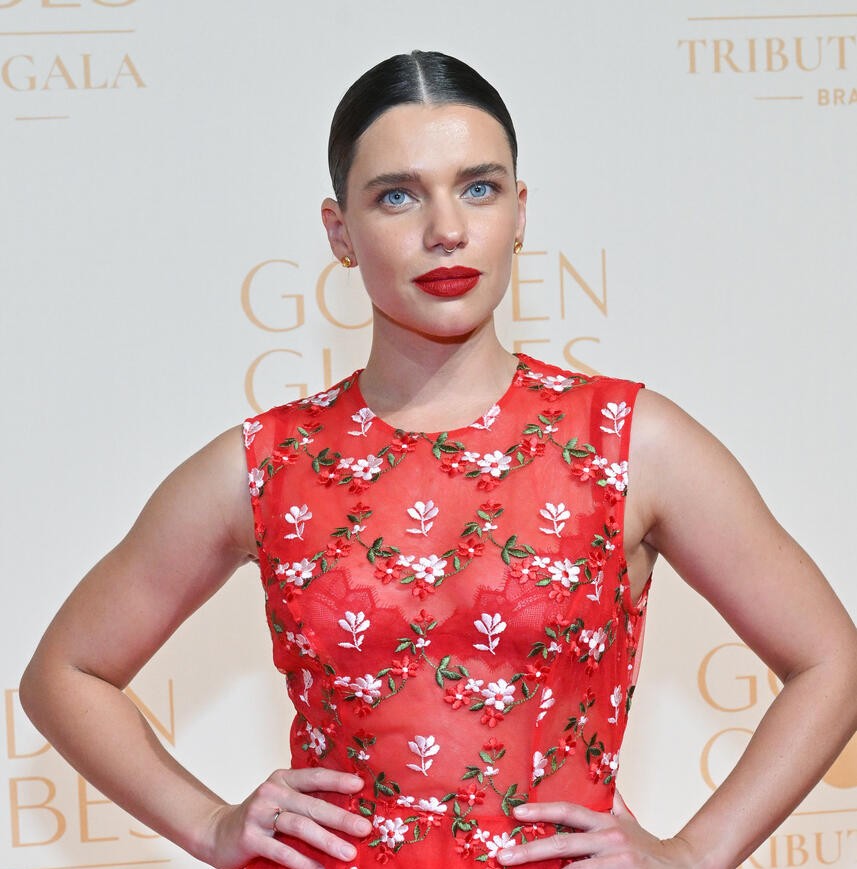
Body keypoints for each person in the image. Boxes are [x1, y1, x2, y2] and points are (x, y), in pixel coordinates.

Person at [20, 50, 857, 869]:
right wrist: (209, 826)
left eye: (478, 187)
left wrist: (695, 853)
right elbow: (65, 672)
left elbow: (831, 661)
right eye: (397, 196)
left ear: (520, 213)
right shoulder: (265, 464)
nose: (446, 230)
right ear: (339, 232)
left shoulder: (629, 441)